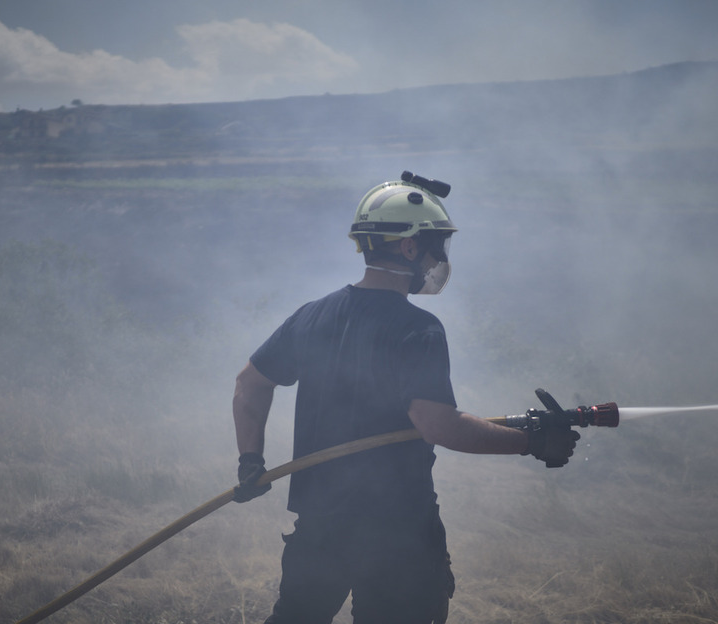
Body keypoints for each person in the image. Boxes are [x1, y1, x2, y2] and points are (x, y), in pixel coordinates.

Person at [231, 172, 580, 624]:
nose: (439, 258)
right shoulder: (418, 328)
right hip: (396, 534)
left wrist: (249, 461)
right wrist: (530, 443)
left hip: (319, 527)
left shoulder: (311, 316)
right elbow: (437, 424)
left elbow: (249, 385)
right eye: (436, 245)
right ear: (410, 247)